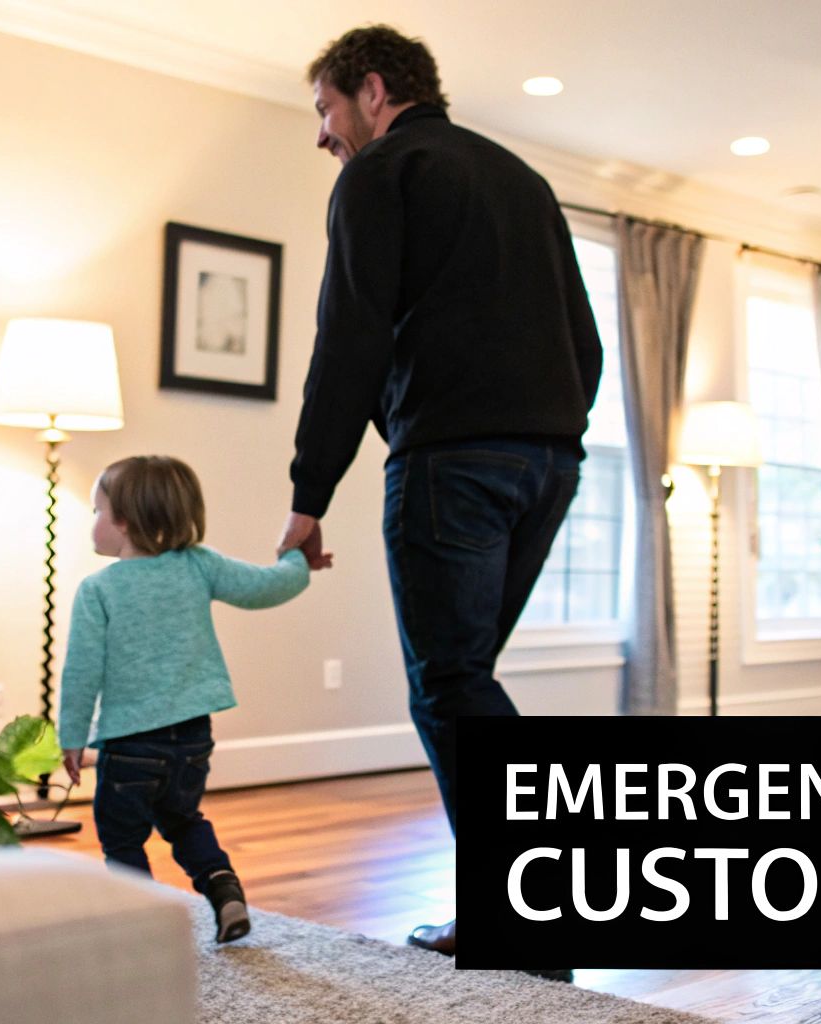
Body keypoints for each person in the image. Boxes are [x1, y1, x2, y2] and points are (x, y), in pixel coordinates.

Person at [277, 25, 603, 962]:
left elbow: (350, 338)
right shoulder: (521, 180)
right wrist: (554, 437)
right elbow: (586, 343)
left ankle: (533, 913)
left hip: (451, 466)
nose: (324, 136)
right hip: (547, 466)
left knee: (449, 684)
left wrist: (310, 491)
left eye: (327, 111)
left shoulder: (380, 176)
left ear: (372, 91)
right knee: (466, 681)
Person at [59, 455, 310, 943]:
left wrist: (71, 737)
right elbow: (267, 587)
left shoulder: (98, 590)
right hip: (192, 740)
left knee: (122, 838)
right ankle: (223, 889)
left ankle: (144, 925)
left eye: (96, 512)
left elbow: (80, 672)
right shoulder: (200, 565)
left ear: (124, 522)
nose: (92, 522)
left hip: (130, 746)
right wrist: (298, 559)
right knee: (183, 819)